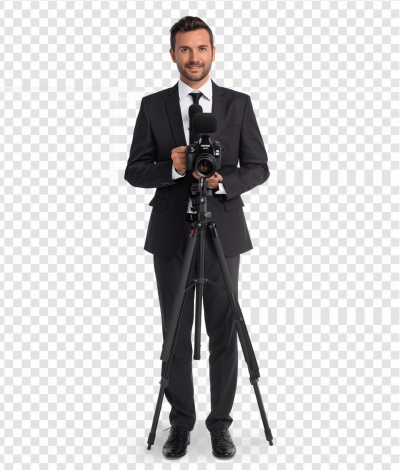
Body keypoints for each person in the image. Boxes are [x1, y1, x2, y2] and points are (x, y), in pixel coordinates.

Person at [124, 16, 270, 460]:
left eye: (200, 48)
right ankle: (181, 424)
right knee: (175, 331)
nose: (193, 58)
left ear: (213, 51)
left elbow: (259, 166)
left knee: (223, 330)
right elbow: (134, 170)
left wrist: (222, 182)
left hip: (222, 230)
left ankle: (220, 424)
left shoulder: (238, 104)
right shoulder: (153, 106)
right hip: (172, 233)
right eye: (184, 50)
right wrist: (171, 167)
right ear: (172, 54)